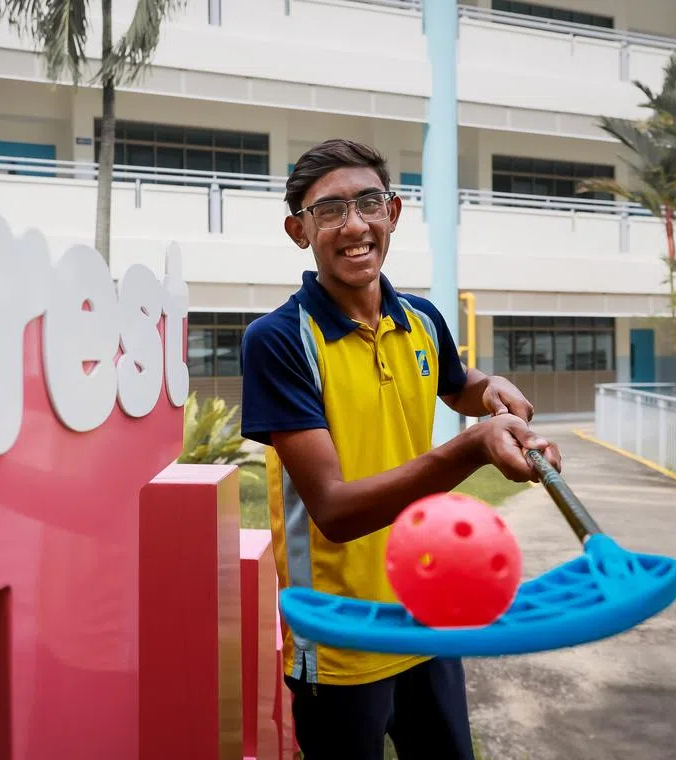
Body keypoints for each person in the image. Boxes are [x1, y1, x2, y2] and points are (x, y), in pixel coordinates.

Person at [239, 138, 563, 759]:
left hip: (427, 608)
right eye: (329, 210)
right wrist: (473, 447)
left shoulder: (421, 319)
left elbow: (455, 383)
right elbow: (333, 511)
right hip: (339, 634)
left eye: (368, 202)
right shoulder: (279, 341)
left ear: (394, 211)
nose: (354, 224)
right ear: (297, 230)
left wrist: (492, 389)